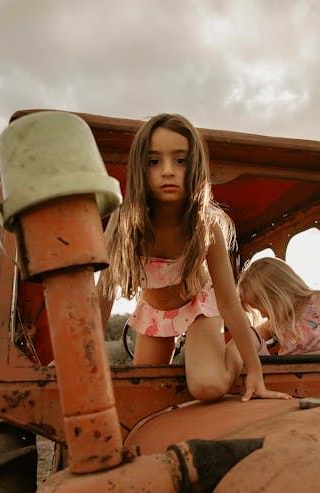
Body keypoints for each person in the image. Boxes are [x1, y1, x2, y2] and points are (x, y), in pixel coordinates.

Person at [96, 113, 289, 402]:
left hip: (198, 305)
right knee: (143, 394)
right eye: (154, 161)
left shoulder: (205, 226)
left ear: (194, 165)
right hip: (154, 310)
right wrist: (80, 359)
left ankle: (242, 343)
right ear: (140, 167)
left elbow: (228, 301)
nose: (168, 171)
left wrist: (255, 371)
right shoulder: (125, 224)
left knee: (207, 387)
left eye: (180, 160)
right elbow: (103, 296)